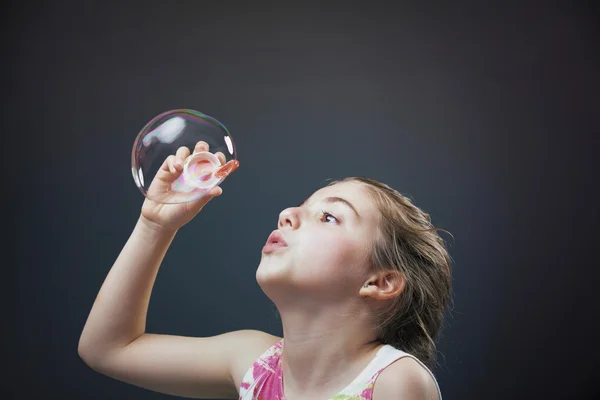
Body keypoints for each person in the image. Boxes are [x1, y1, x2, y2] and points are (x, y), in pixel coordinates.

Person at [78, 141, 452, 399]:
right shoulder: (255, 362)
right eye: (301, 206)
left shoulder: (396, 382)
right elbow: (108, 349)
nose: (287, 214)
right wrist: (155, 226)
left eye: (328, 216)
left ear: (379, 281)